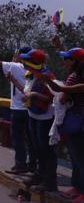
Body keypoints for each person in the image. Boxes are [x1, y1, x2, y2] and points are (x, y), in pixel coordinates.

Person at [0, 42, 35, 174]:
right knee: (32, 140)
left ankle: (20, 164)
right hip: (32, 110)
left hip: (18, 109)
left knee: (18, 139)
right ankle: (33, 165)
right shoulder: (35, 69)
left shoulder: (16, 67)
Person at [10, 49, 57, 192]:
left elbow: (51, 98)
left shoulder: (47, 76)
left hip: (45, 117)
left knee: (46, 149)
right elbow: (25, 91)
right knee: (37, 148)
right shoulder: (30, 74)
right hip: (33, 115)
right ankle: (39, 175)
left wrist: (34, 95)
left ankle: (49, 181)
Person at [42, 47, 84, 202]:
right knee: (77, 157)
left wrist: (50, 84)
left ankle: (81, 190)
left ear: (74, 62)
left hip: (76, 121)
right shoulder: (79, 76)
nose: (64, 61)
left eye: (66, 58)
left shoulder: (74, 78)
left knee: (78, 157)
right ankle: (77, 187)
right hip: (79, 121)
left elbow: (62, 98)